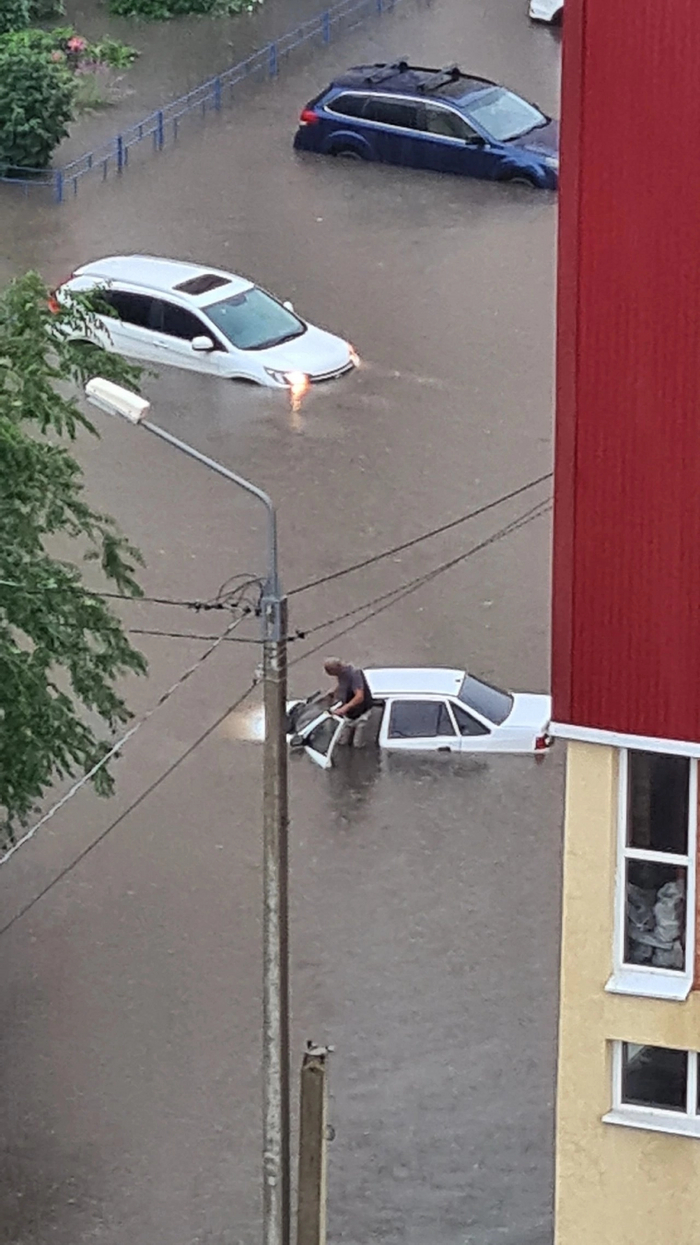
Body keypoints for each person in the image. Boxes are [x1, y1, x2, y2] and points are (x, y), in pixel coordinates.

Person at [323, 658, 373, 745]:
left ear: (336, 669)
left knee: (357, 743)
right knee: (341, 740)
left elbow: (359, 696)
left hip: (361, 712)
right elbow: (343, 684)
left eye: (331, 673)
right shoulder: (341, 674)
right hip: (349, 713)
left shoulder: (354, 674)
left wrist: (345, 708)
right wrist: (334, 692)